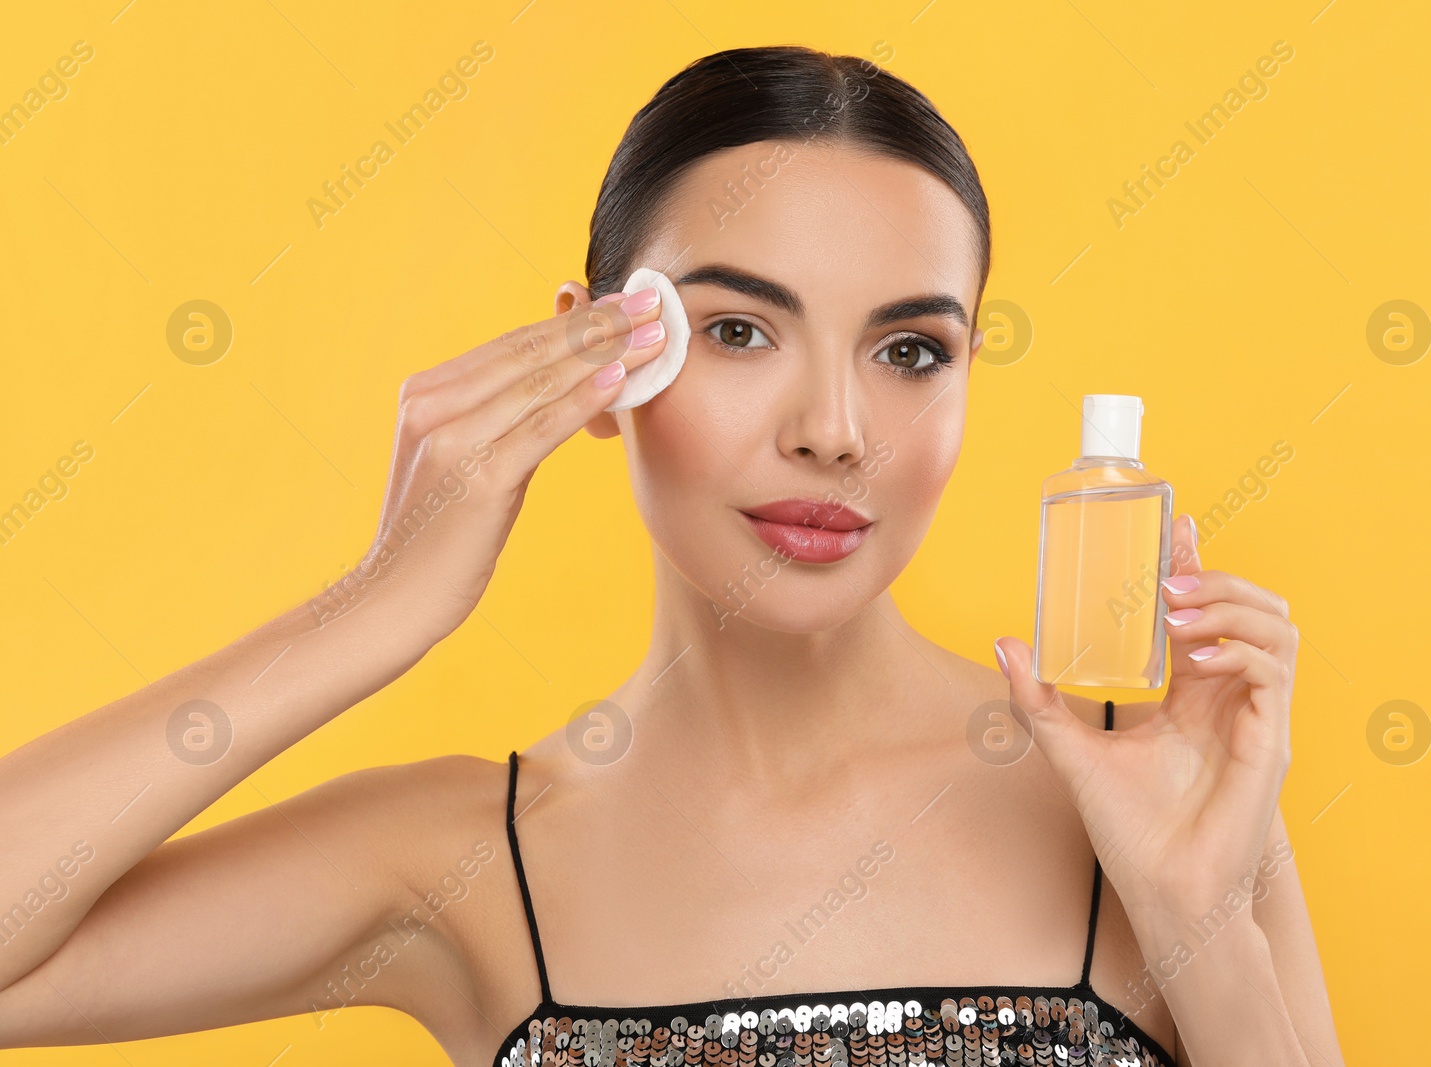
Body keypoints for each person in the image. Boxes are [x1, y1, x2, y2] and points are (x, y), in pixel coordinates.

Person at [0, 45, 1341, 1067]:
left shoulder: (1150, 792)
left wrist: (1196, 920)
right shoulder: (467, 857)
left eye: (911, 351)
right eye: (742, 332)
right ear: (594, 356)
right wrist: (372, 609)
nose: (833, 431)